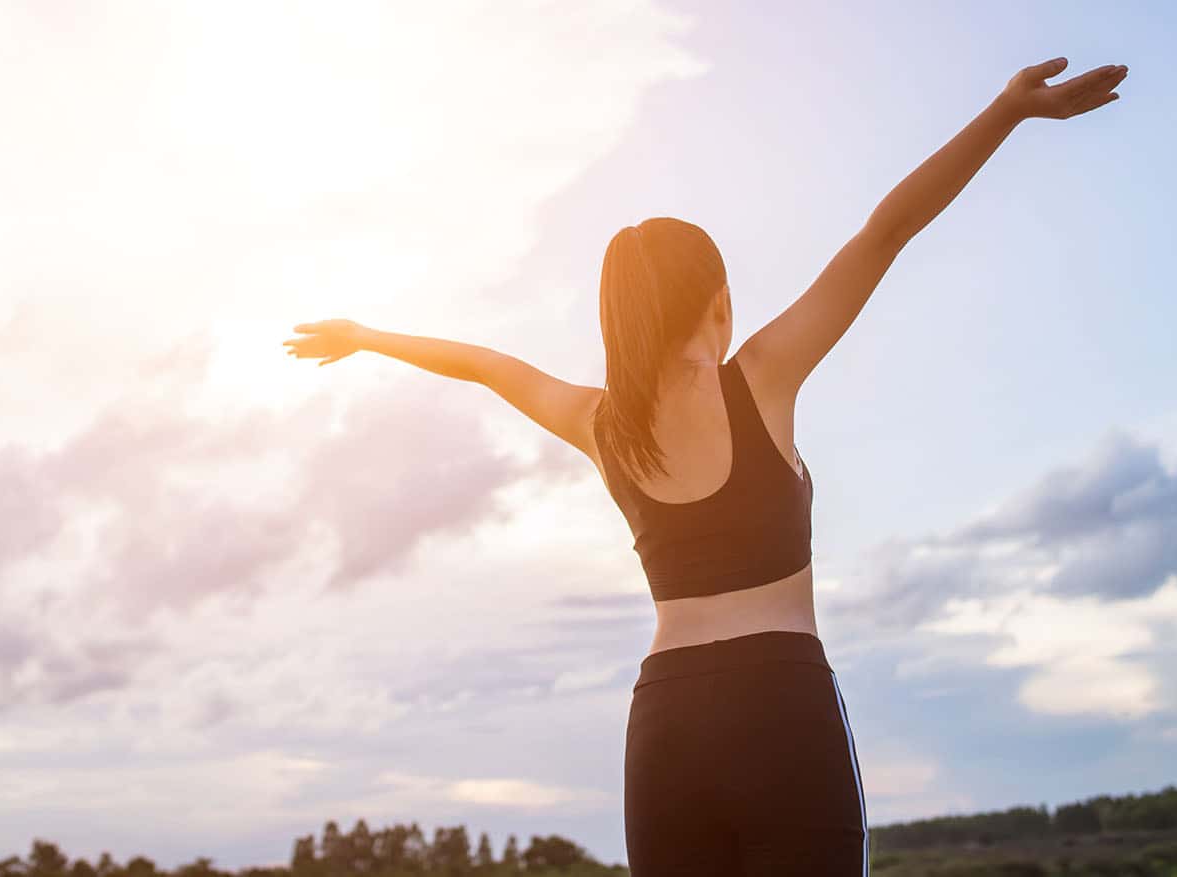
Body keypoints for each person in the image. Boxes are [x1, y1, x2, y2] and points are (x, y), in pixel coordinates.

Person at [284, 56, 1126, 876]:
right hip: (781, 704)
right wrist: (1006, 113)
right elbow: (889, 229)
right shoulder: (763, 378)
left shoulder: (598, 423)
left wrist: (364, 336)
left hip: (668, 722)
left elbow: (484, 363)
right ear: (718, 300)